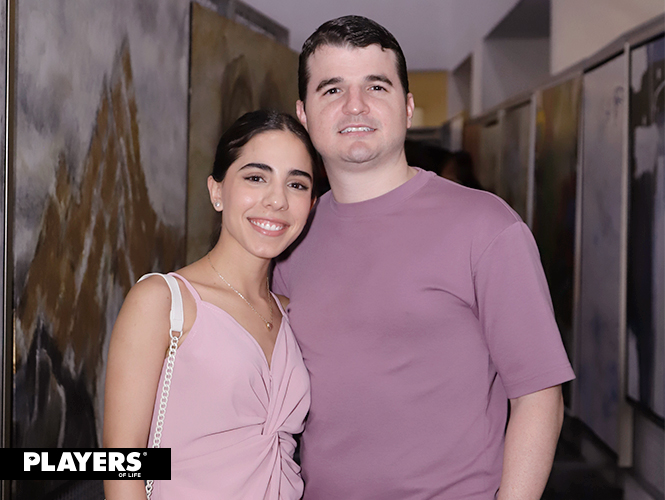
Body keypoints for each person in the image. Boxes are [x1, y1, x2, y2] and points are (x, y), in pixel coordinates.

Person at [273, 16, 575, 500]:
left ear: (408, 107)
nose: (355, 105)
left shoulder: (486, 226)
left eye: (376, 86)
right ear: (304, 113)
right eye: (332, 89)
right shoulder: (289, 238)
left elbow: (539, 395)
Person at [103, 110, 319, 500]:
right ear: (217, 191)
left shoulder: (291, 313)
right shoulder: (162, 302)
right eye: (256, 178)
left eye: (296, 184)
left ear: (312, 204)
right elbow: (122, 462)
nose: (277, 200)